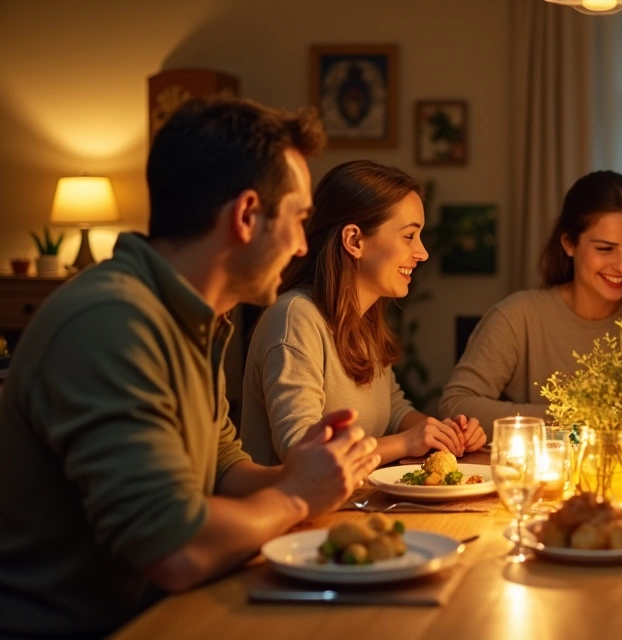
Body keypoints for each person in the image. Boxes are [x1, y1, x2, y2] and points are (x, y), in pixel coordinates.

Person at [0, 97, 380, 637]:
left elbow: (223, 472)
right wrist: (296, 496)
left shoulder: (194, 320)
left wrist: (305, 472)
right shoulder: (112, 323)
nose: (301, 245)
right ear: (246, 215)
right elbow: (175, 548)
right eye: (298, 220)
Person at [242, 160, 486, 465]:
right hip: (298, 511)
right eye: (409, 236)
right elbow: (301, 449)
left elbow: (393, 409)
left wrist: (443, 433)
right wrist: (406, 443)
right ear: (354, 240)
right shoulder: (294, 318)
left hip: (356, 505)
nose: (422, 252)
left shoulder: (362, 319)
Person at [440, 170, 622, 431]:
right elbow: (456, 404)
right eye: (605, 249)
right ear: (569, 244)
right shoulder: (518, 317)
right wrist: (575, 415)